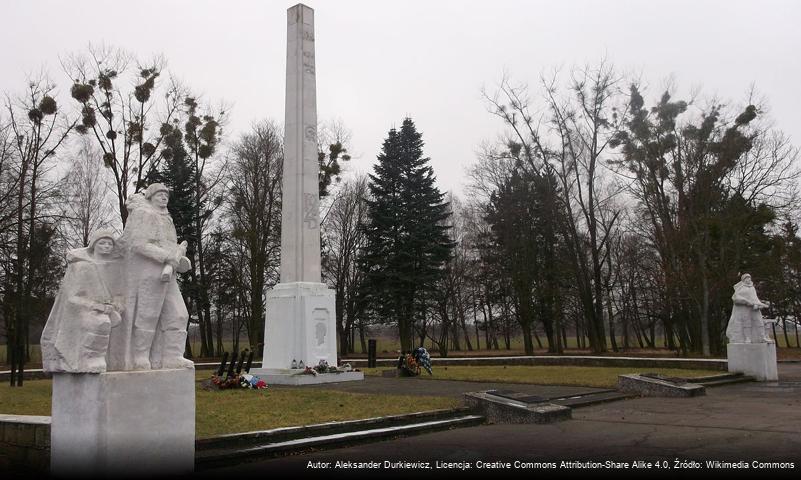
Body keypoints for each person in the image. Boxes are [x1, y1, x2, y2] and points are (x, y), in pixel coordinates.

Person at [121, 183, 193, 370]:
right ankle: (140, 357)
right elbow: (138, 244)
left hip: (168, 274)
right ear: (150, 197)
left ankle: (172, 356)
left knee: (179, 314)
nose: (163, 197)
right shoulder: (145, 215)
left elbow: (169, 245)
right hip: (149, 272)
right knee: (148, 315)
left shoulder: (167, 219)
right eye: (159, 194)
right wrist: (166, 256)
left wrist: (179, 259)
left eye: (166, 195)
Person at [41, 229, 124, 372]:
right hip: (82, 312)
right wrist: (95, 306)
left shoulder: (116, 268)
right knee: (100, 323)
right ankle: (90, 359)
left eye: (110, 244)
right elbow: (72, 298)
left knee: (112, 322)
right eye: (102, 243)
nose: (106, 246)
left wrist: (117, 305)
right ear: (93, 245)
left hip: (109, 312)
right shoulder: (83, 266)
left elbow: (119, 294)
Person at [726, 273, 771, 344]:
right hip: (744, 309)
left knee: (759, 321)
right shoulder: (740, 288)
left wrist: (761, 304)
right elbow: (735, 298)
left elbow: (755, 299)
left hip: (754, 308)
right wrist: (746, 302)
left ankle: (762, 337)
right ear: (743, 280)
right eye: (746, 278)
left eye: (749, 278)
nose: (748, 279)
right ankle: (748, 338)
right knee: (747, 322)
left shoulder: (752, 288)